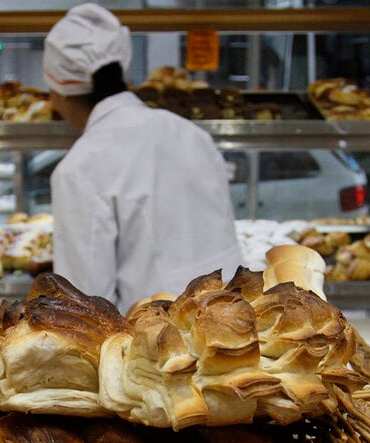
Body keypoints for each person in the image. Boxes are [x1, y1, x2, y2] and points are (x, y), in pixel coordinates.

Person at [43, 3, 244, 313]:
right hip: (231, 320)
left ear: (61, 90)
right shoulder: (191, 134)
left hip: (156, 336)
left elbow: (85, 305)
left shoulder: (80, 168)